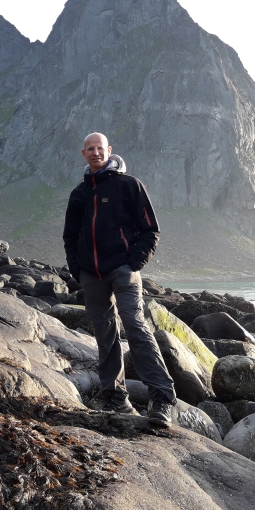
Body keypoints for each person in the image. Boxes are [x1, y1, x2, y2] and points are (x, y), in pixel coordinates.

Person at [63, 132, 177, 427]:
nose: (95, 152)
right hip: (91, 275)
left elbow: (150, 229)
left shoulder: (129, 185)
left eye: (99, 148)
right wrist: (78, 269)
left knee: (135, 325)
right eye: (90, 149)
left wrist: (133, 262)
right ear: (83, 153)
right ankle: (114, 396)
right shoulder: (79, 193)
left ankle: (162, 398)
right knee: (104, 333)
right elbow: (70, 236)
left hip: (123, 270)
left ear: (109, 150)